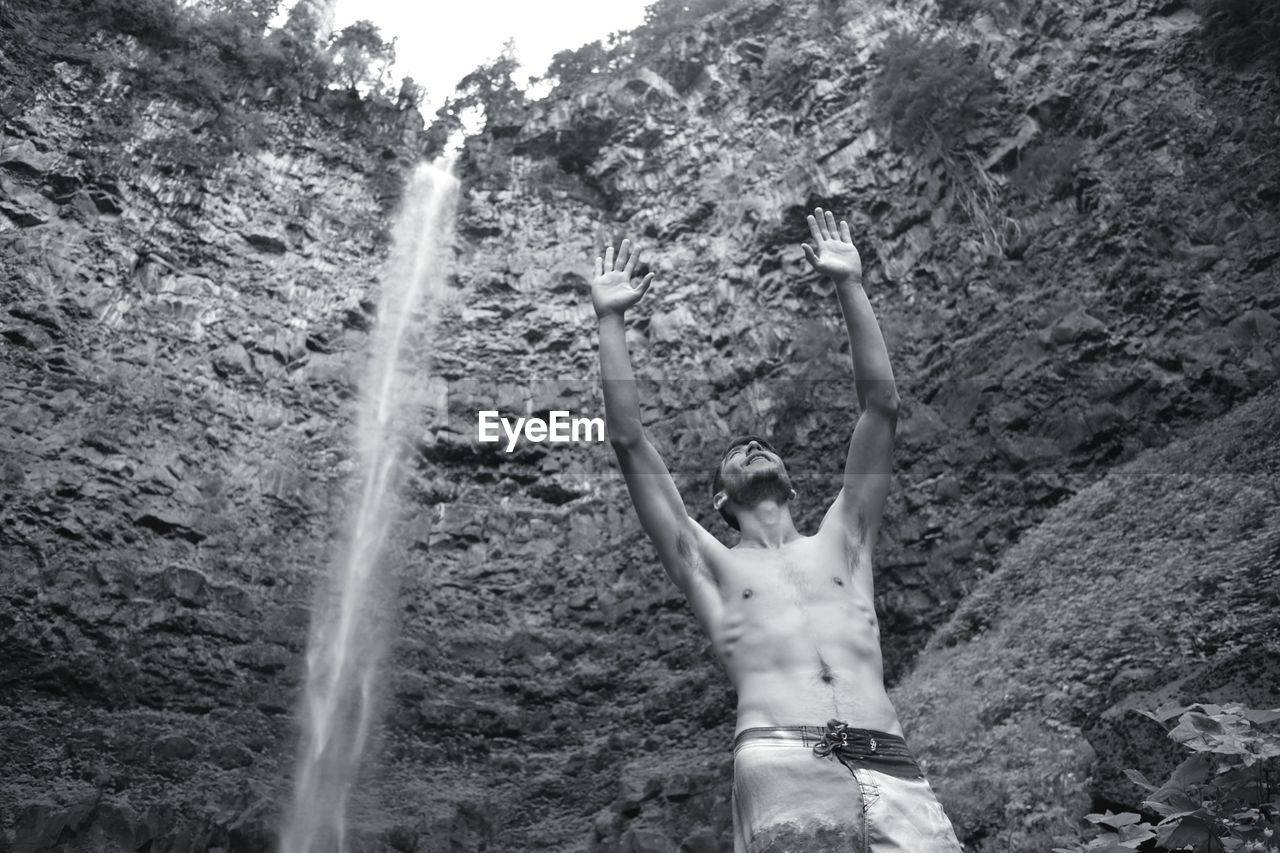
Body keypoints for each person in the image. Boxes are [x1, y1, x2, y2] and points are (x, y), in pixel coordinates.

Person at [591, 207, 964, 852]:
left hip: (888, 759)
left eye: (764, 446)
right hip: (780, 756)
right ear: (718, 500)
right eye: (738, 450)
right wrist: (609, 321)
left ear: (792, 486)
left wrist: (850, 282)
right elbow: (627, 441)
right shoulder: (708, 562)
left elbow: (883, 408)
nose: (754, 444)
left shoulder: (845, 537)